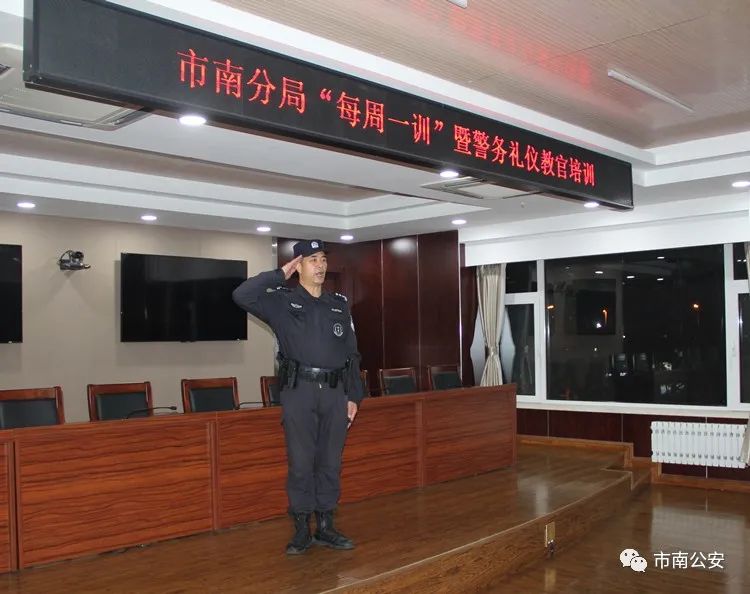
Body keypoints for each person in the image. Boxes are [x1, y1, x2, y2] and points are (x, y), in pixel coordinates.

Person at [232, 239, 364, 555]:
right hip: (299, 391)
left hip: (334, 392)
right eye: (312, 260)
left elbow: (352, 354)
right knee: (302, 462)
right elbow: (241, 295)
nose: (320, 265)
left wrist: (353, 396)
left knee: (330, 461)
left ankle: (326, 526)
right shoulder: (281, 301)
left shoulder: (338, 305)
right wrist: (279, 274)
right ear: (298, 266)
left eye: (323, 260)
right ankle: (302, 527)